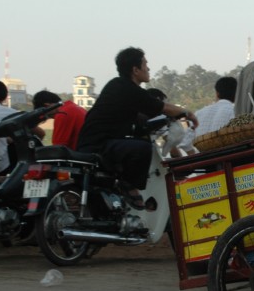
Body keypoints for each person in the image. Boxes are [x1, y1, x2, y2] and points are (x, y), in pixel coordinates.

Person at [76, 47, 198, 209]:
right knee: (142, 148)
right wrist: (187, 112)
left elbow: (143, 121)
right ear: (135, 70)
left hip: (95, 143)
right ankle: (128, 185)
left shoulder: (119, 88)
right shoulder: (127, 88)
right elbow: (161, 107)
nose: (148, 68)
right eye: (145, 64)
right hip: (99, 145)